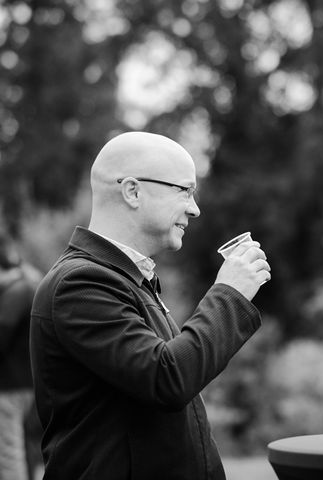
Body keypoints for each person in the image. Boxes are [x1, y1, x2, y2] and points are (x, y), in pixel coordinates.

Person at [30, 132, 271, 480]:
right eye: (184, 190)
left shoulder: (125, 278)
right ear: (132, 191)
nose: (195, 207)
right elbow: (168, 378)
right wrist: (229, 293)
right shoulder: (79, 284)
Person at [0, 234, 42, 480]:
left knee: (8, 452)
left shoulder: (16, 291)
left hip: (10, 388)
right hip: (32, 383)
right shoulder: (34, 283)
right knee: (27, 448)